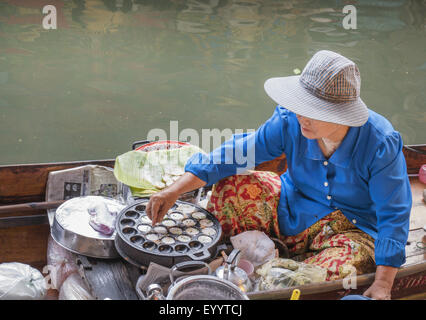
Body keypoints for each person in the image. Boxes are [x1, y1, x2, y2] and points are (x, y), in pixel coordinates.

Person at [145, 50, 412, 300]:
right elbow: (235, 154)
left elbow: (394, 213)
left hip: (352, 230)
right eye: (300, 107)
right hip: (291, 206)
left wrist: (383, 284)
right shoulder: (290, 121)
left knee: (305, 279)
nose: (301, 117)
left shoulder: (379, 143)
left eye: (313, 111)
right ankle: (268, 252)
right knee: (231, 187)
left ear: (342, 115)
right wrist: (175, 190)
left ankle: (270, 262)